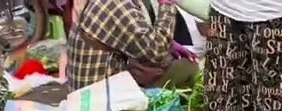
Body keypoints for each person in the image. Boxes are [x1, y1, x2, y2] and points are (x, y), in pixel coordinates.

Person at [65, 0, 200, 90]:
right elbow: (157, 52)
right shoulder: (118, 4)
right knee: (188, 68)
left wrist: (170, 44)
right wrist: (167, 4)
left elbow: (134, 34)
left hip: (90, 90)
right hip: (101, 100)